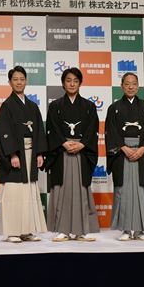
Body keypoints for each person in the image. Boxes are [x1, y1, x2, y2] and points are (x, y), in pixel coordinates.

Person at [45, 67, 100, 241]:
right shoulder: (55, 106)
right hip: (62, 152)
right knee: (62, 190)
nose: (72, 84)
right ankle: (62, 229)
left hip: (81, 153)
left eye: (75, 81)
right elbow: (51, 128)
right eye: (68, 80)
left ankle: (81, 230)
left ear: (80, 83)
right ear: (63, 83)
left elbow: (92, 129)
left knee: (81, 190)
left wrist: (82, 144)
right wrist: (63, 142)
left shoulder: (89, 106)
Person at [105, 72, 144, 241]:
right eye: (127, 84)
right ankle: (126, 229)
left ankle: (141, 230)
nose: (130, 87)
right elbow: (110, 131)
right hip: (122, 154)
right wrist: (122, 147)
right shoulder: (114, 108)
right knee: (123, 191)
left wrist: (142, 148)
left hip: (142, 153)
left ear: (138, 86)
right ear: (122, 86)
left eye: (134, 84)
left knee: (141, 191)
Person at [0, 66, 48, 243]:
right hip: (17, 154)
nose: (19, 82)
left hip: (31, 153)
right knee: (14, 193)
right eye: (15, 79)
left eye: (22, 79)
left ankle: (27, 230)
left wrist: (39, 153)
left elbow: (39, 130)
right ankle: (12, 231)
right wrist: (12, 154)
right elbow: (4, 132)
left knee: (28, 192)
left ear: (26, 81)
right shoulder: (7, 106)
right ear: (9, 82)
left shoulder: (32, 106)